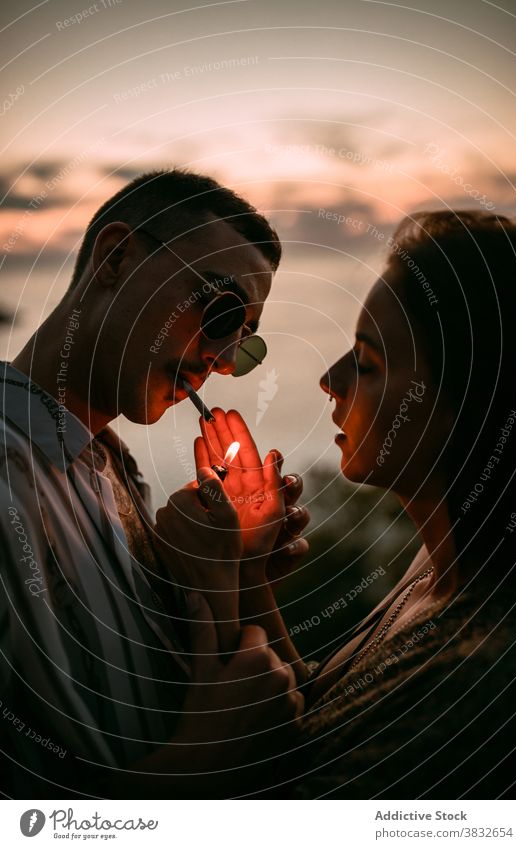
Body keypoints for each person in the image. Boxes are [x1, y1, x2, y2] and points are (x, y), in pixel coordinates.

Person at [193, 210, 516, 798]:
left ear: (470, 403)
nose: (330, 379)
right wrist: (247, 563)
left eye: (368, 362)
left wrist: (201, 753)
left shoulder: (485, 674)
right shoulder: (434, 570)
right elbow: (322, 717)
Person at [0, 169, 309, 798]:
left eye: (246, 342)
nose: (224, 360)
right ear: (116, 258)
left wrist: (238, 567)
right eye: (221, 313)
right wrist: (196, 770)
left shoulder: (117, 476)